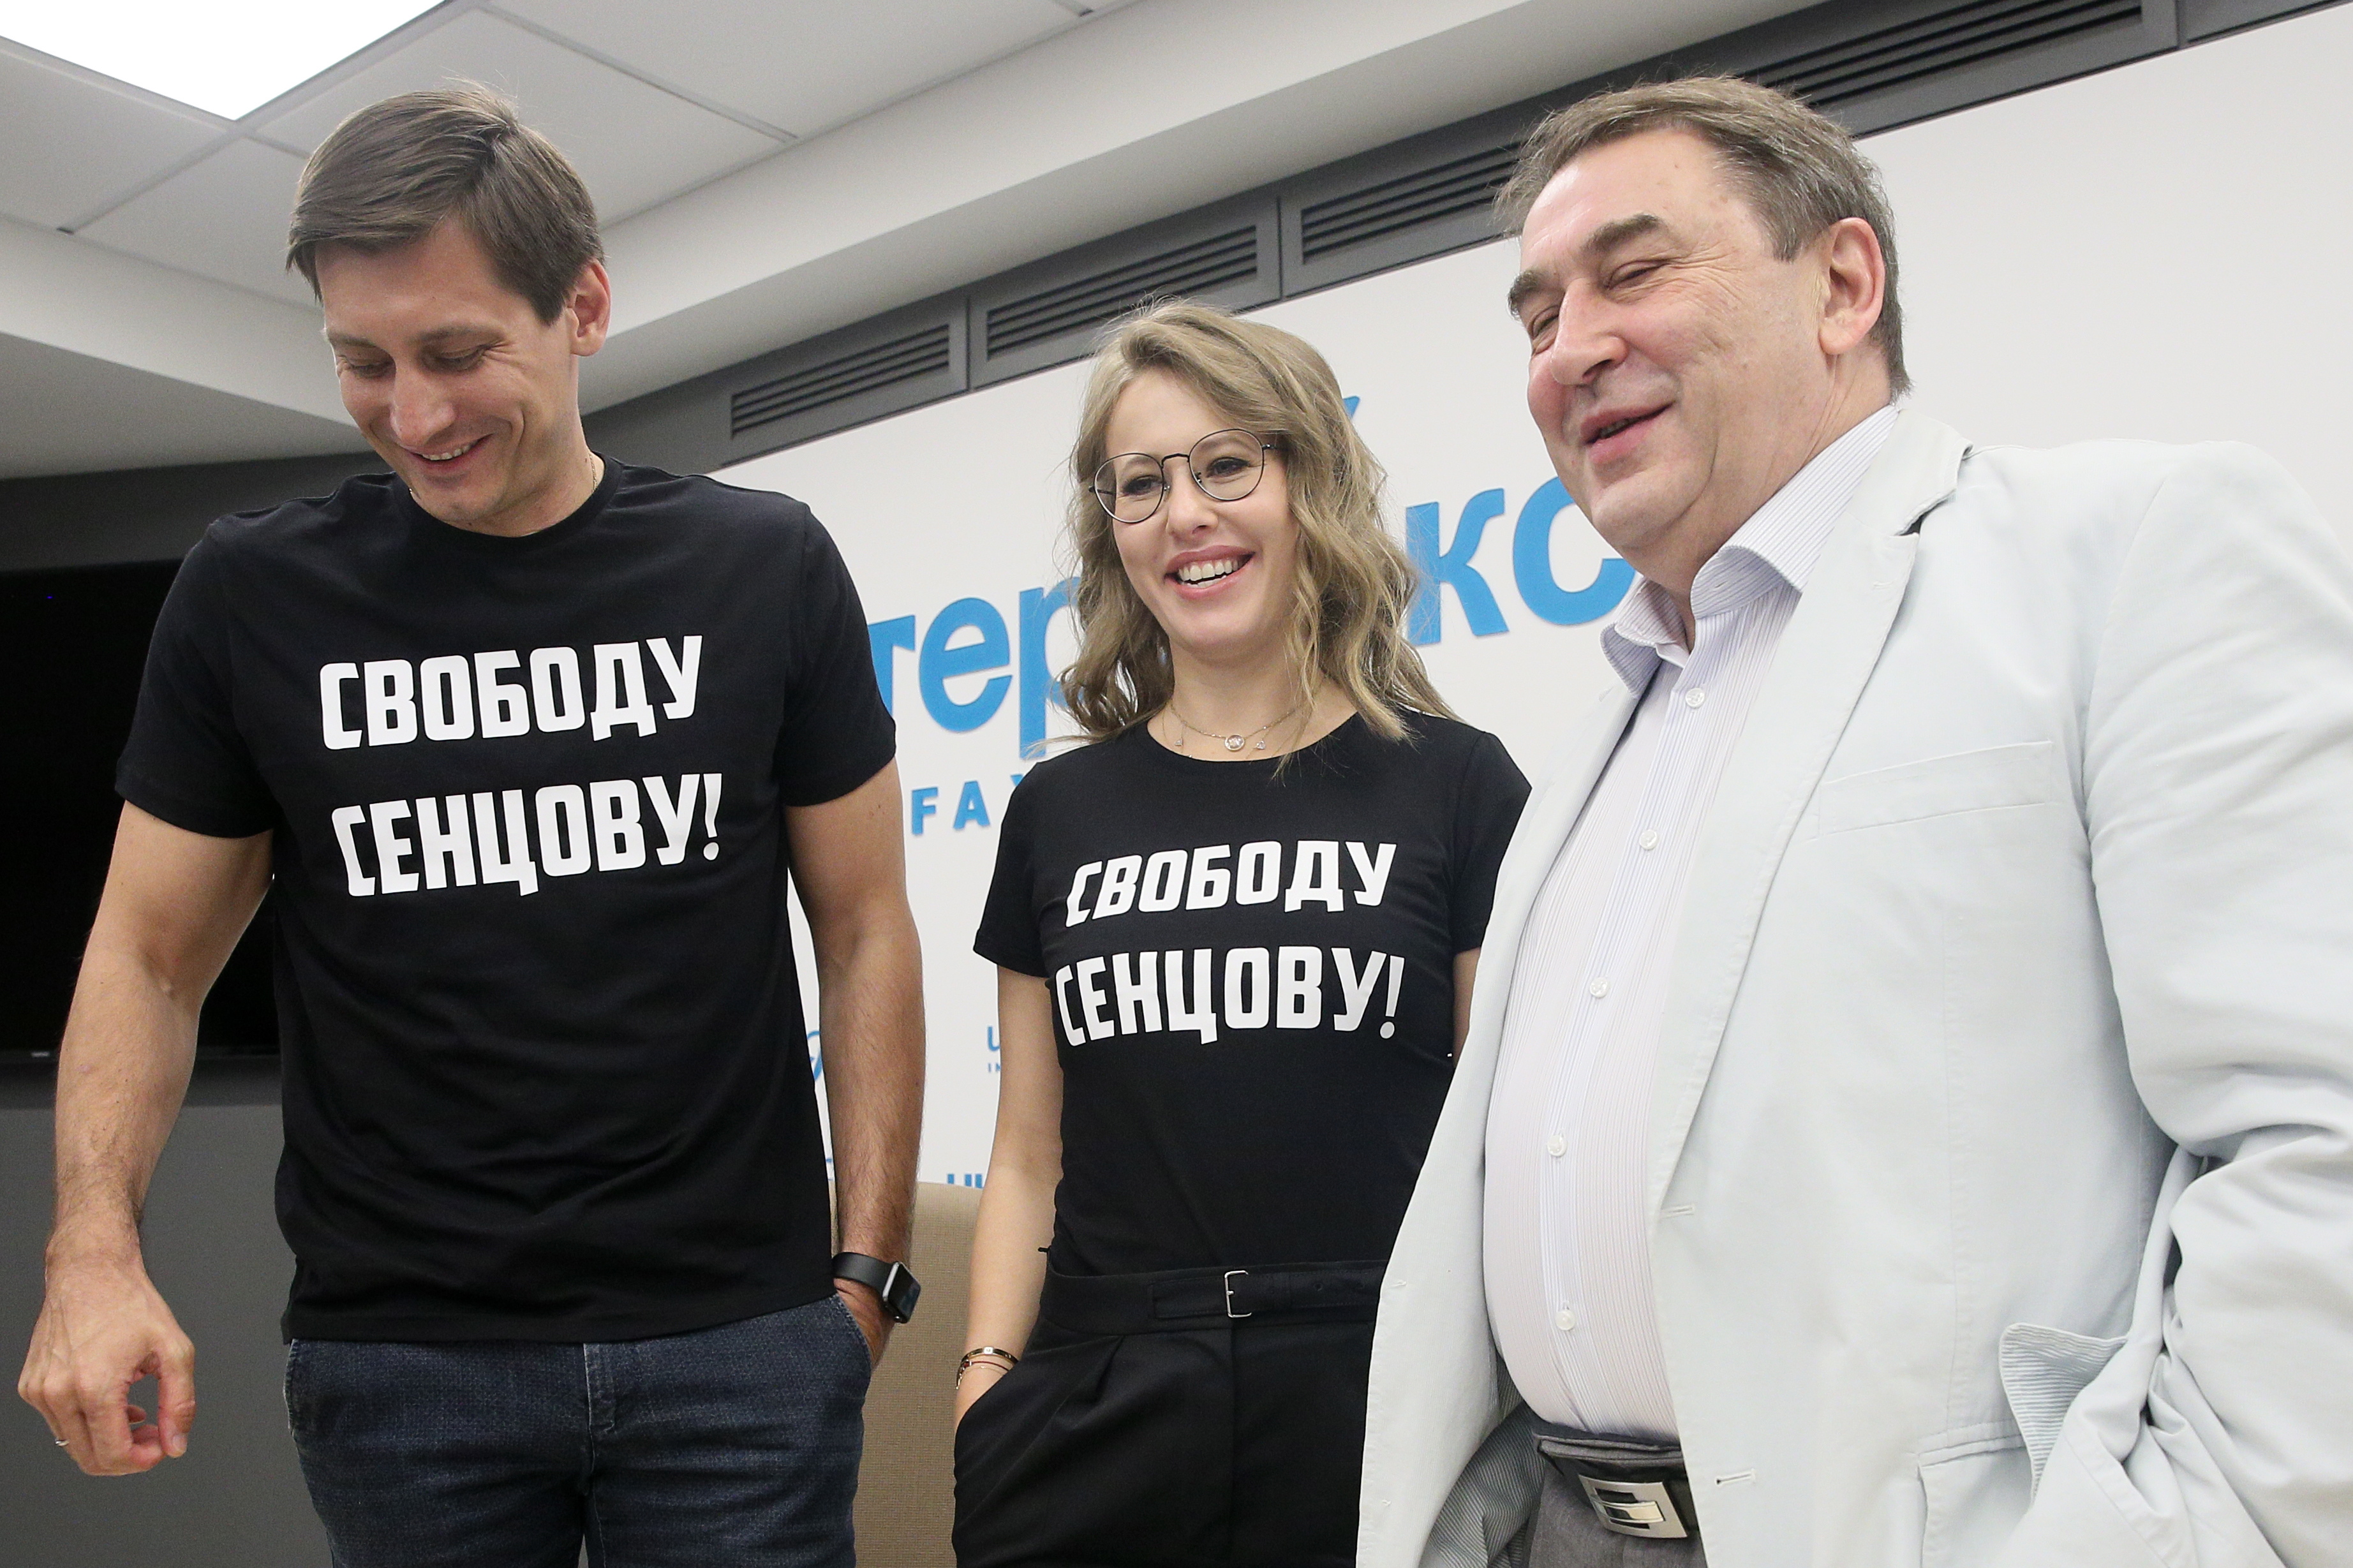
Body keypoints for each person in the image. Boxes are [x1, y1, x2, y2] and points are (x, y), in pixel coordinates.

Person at [1358, 77, 2353, 1568]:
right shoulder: (1595, 739)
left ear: (1840, 284)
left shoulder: (2125, 555)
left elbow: (2317, 1135)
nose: (1571, 348)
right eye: (1537, 316)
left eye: (1632, 273)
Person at [17, 87, 926, 1567]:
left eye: (455, 353)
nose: (415, 417)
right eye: (361, 363)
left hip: (738, 1345)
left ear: (584, 308)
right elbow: (148, 957)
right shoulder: (253, 595)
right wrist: (91, 1251)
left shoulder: (760, 566)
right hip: (405, 1367)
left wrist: (867, 1274)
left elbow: (864, 924)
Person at [951, 301, 1529, 1567]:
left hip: (1367, 1393)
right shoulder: (1057, 810)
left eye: (1226, 465)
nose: (1185, 515)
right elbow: (1029, 1153)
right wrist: (984, 1384)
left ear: (1308, 484)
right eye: (1141, 483)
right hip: (1095, 1404)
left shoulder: (1457, 785)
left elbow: (1511, 1145)